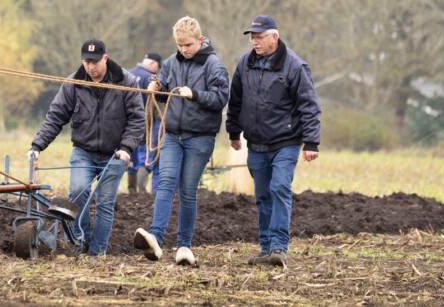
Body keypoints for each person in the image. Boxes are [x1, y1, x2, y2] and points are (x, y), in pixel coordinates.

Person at [27, 38, 145, 256]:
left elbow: (137, 120)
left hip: (115, 153)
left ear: (105, 59)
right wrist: (37, 145)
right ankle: (80, 241)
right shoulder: (73, 83)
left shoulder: (126, 81)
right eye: (86, 62)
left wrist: (126, 148)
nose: (90, 67)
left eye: (95, 62)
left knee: (105, 203)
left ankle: (97, 252)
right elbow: (56, 115)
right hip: (84, 151)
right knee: (77, 192)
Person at [225, 14, 321, 267]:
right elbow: (235, 100)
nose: (254, 42)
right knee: (262, 195)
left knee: (279, 188)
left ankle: (279, 246)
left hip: (286, 142)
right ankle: (266, 248)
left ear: (274, 37)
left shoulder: (295, 67)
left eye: (259, 37)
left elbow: (309, 106)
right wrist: (233, 132)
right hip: (256, 143)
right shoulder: (245, 63)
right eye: (252, 38)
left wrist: (311, 142)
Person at [133, 17, 229, 266]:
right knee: (165, 182)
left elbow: (220, 98)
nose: (183, 49)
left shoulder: (213, 65)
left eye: (187, 45)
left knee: (187, 190)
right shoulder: (170, 63)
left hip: (200, 137)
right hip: (172, 134)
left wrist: (194, 94)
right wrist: (157, 86)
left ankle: (184, 246)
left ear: (199, 39)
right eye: (179, 45)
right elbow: (165, 89)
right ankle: (156, 238)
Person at [126, 52, 162, 194]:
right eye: (158, 67)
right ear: (153, 63)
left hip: (127, 123)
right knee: (144, 155)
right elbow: (154, 104)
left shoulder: (128, 74)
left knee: (130, 153)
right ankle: (142, 190)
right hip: (144, 123)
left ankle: (131, 188)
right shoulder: (151, 79)